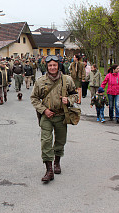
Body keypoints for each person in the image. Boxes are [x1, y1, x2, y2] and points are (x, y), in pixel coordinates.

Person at [31, 55, 78, 183]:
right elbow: (34, 98)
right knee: (45, 141)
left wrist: (68, 100)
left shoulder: (67, 80)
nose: (52, 67)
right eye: (50, 65)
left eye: (54, 65)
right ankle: (49, 170)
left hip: (62, 115)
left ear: (58, 66)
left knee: (60, 141)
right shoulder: (40, 81)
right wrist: (44, 110)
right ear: (47, 66)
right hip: (46, 116)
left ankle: (57, 162)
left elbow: (75, 94)